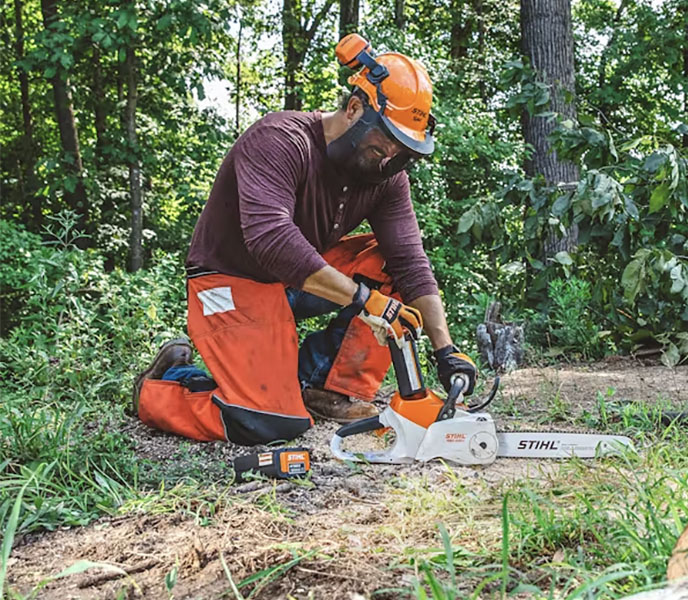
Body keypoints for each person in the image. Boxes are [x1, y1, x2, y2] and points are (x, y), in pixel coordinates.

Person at [132, 34, 477, 445]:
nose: (391, 158)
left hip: (299, 278)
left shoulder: (386, 178)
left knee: (390, 267)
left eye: (403, 150)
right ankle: (162, 385)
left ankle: (326, 386)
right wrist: (367, 301)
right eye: (385, 141)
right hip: (231, 279)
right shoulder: (280, 140)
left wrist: (446, 348)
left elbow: (411, 262)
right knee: (268, 421)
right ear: (354, 110)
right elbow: (271, 240)